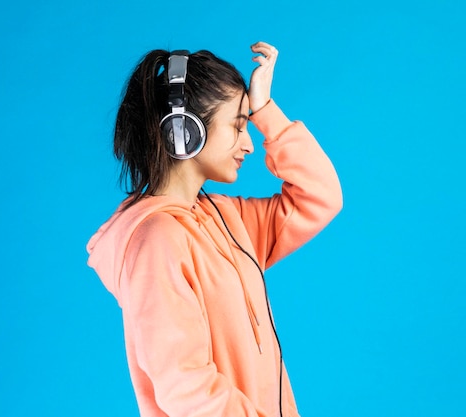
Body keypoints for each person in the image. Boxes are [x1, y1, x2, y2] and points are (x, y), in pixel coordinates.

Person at [86, 41, 342, 417]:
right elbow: (186, 388)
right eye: (239, 126)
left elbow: (320, 196)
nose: (250, 144)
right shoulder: (157, 241)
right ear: (184, 132)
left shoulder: (229, 220)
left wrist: (265, 109)